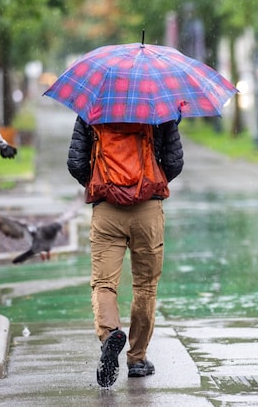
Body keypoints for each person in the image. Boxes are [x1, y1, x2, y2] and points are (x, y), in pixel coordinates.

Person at [67, 117, 184, 388]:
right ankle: (138, 359)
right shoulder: (158, 107)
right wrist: (150, 182)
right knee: (145, 286)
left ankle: (110, 335)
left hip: (106, 208)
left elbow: (75, 163)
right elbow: (175, 162)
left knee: (104, 283)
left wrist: (101, 183)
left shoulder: (92, 107)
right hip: (148, 209)